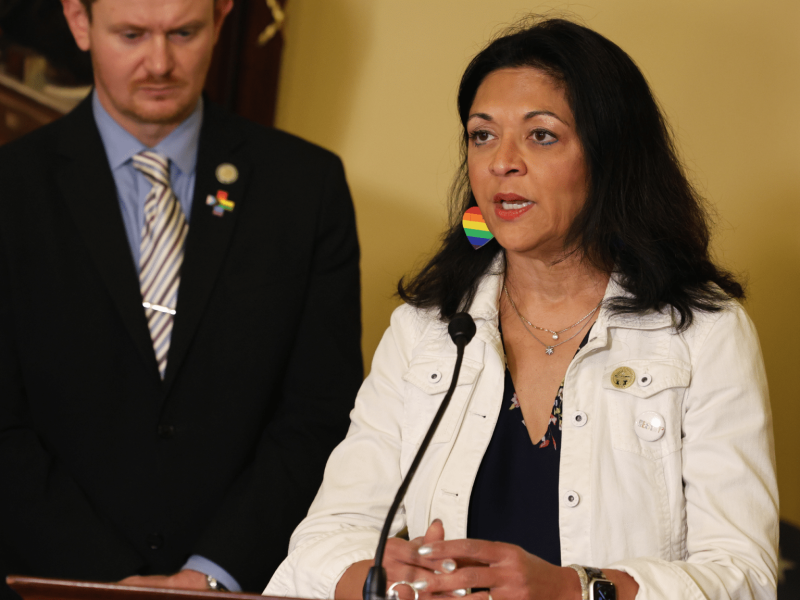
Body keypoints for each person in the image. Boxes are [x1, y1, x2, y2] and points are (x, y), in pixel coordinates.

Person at [264, 17, 778, 600]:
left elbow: (747, 576)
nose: (501, 162)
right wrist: (381, 580)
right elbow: (323, 541)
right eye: (482, 135)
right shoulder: (425, 330)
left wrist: (575, 590)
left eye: (541, 136)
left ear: (610, 156)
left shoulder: (702, 333)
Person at [0, 0, 362, 597]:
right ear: (79, 21)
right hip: (44, 578)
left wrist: (211, 573)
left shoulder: (306, 188)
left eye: (184, 32)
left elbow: (318, 413)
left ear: (220, 20)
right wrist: (111, 582)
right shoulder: (10, 189)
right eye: (133, 34)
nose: (159, 63)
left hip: (237, 579)